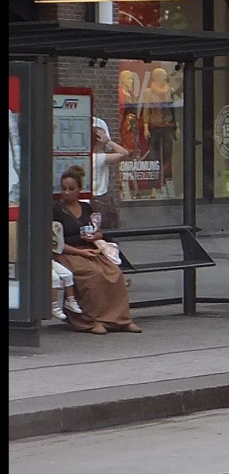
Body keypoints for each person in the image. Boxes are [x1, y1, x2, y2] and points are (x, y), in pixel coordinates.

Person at [52, 164, 141, 334]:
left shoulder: (86, 208)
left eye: (71, 189)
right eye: (63, 189)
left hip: (90, 249)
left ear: (79, 189)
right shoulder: (57, 209)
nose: (67, 193)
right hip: (69, 252)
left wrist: (96, 236)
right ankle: (91, 320)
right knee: (93, 274)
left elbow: (97, 230)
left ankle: (121, 319)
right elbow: (56, 242)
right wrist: (80, 251)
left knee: (114, 272)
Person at [142, 67, 177, 192]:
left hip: (167, 126)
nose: (165, 78)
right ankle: (154, 185)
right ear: (157, 77)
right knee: (154, 155)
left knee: (168, 154)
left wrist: (176, 126)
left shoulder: (169, 91)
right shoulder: (148, 92)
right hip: (154, 125)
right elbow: (146, 109)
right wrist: (145, 126)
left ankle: (167, 182)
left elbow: (173, 109)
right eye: (162, 76)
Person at [91, 117, 129, 229]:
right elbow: (124, 153)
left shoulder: (84, 158)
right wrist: (108, 141)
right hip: (99, 199)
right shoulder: (100, 158)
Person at [49, 220, 83, 321]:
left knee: (68, 275)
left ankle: (70, 300)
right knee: (54, 278)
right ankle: (53, 305)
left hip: (49, 260)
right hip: (39, 261)